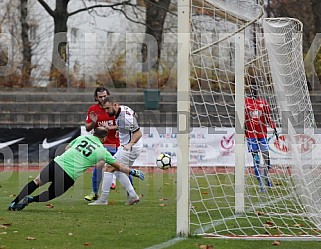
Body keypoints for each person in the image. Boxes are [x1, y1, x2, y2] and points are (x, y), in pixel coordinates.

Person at [8, 127, 144, 211]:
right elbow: (118, 166)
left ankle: (14, 201)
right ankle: (30, 200)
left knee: (37, 182)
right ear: (104, 138)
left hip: (57, 163)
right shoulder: (102, 151)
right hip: (69, 174)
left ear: (93, 133)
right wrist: (133, 171)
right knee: (51, 194)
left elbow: (67, 149)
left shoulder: (81, 138)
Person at [89, 96, 143, 206]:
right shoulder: (122, 110)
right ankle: (132, 195)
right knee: (118, 170)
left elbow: (138, 133)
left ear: (115, 105)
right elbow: (134, 115)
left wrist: (129, 144)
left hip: (130, 147)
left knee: (109, 168)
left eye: (108, 108)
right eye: (105, 109)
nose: (106, 111)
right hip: (127, 146)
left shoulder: (124, 117)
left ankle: (103, 199)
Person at [84, 87, 120, 202]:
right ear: (96, 98)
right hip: (100, 144)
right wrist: (94, 122)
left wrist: (109, 128)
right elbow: (87, 127)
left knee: (120, 167)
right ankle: (94, 192)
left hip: (116, 144)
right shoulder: (93, 109)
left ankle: (131, 192)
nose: (103, 98)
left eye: (105, 96)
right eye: (100, 97)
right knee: (99, 165)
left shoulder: (114, 108)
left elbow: (122, 125)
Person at [245, 81, 278, 192]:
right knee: (256, 160)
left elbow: (268, 118)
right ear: (249, 89)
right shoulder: (245, 102)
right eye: (252, 88)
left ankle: (265, 177)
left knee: (267, 160)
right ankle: (261, 185)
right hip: (251, 136)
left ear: (257, 90)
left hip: (262, 135)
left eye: (255, 88)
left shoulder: (263, 103)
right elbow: (242, 119)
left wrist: (274, 127)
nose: (253, 90)